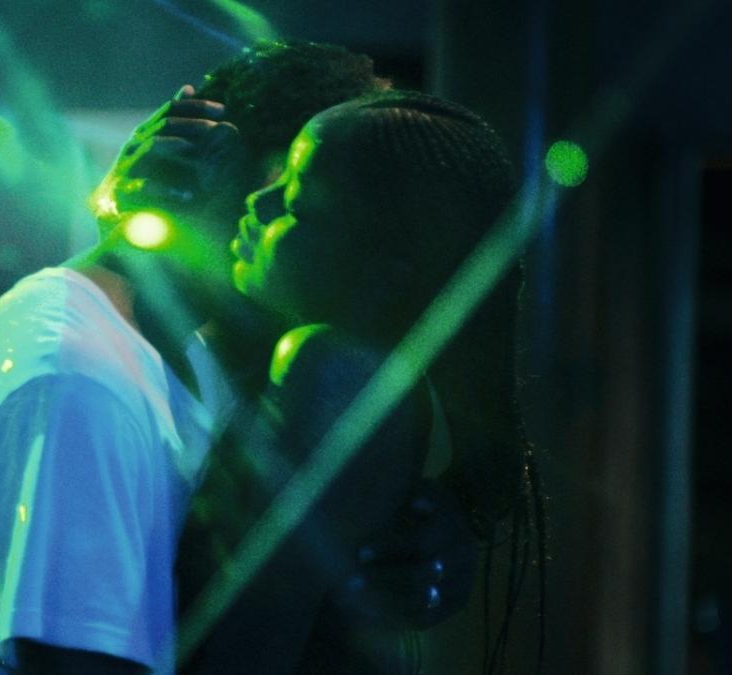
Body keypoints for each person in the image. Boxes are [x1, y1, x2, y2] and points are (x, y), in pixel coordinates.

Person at [0, 42, 477, 675]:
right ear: (214, 171)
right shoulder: (77, 380)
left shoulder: (197, 357)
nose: (352, 250)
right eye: (315, 201)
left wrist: (396, 545)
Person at [174, 89, 533, 674]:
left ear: (385, 272)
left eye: (292, 201)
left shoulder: (325, 366)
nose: (257, 203)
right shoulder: (395, 384)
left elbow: (260, 619)